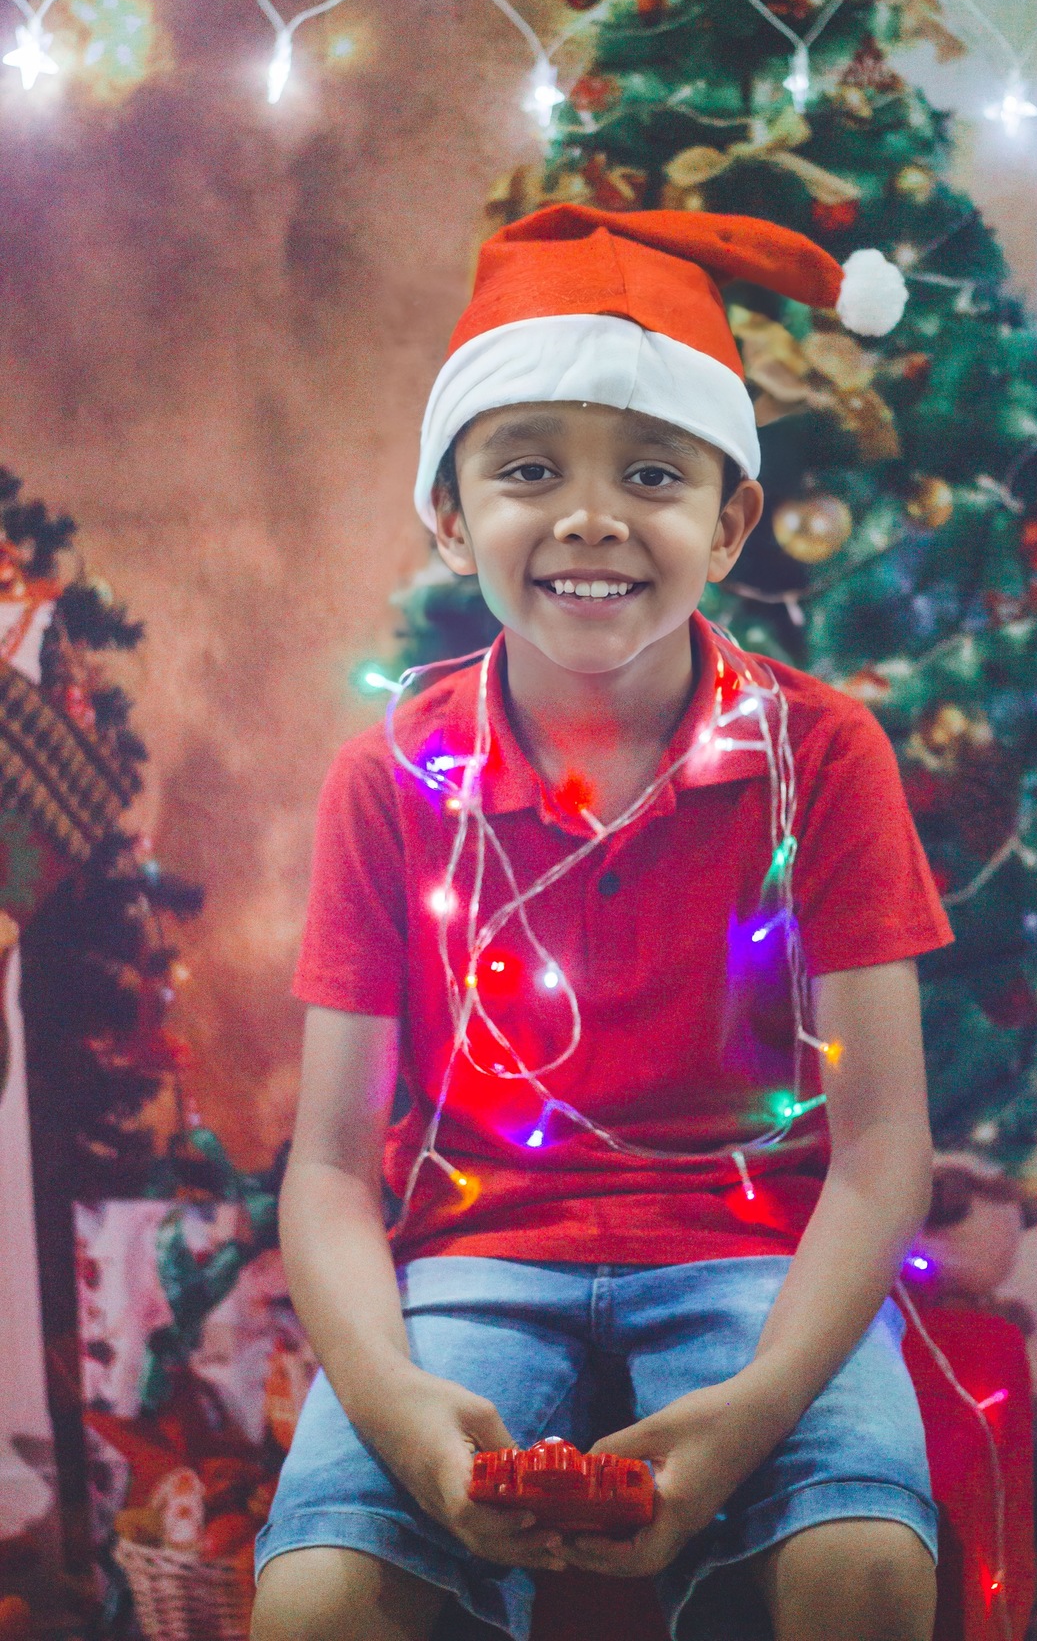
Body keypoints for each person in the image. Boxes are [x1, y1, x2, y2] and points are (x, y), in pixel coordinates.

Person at [251, 206, 953, 1641]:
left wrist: (755, 1412)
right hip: (474, 1263)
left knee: (867, 1569)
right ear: (451, 514)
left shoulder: (822, 760)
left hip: (758, 1256)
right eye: (527, 470)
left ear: (730, 522)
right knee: (316, 1600)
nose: (589, 517)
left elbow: (884, 1146)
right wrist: (395, 1407)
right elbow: (327, 1165)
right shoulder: (391, 781)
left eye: (652, 473)